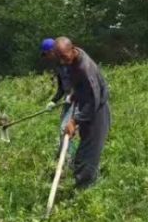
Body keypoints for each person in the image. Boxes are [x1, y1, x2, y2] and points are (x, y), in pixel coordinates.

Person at [53, 38, 111, 189]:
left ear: (72, 50)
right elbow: (81, 86)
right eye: (59, 58)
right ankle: (88, 182)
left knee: (87, 154)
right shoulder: (72, 58)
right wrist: (76, 94)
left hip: (96, 111)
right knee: (87, 150)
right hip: (86, 107)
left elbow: (94, 100)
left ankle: (85, 191)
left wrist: (74, 121)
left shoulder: (85, 69)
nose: (63, 62)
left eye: (65, 58)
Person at [41, 37, 75, 156]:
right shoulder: (58, 66)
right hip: (67, 98)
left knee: (65, 128)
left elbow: (80, 82)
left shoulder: (70, 61)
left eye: (47, 54)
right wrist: (53, 101)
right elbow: (61, 88)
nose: (47, 58)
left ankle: (68, 160)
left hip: (78, 98)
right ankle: (64, 154)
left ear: (52, 51)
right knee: (63, 127)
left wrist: (72, 94)